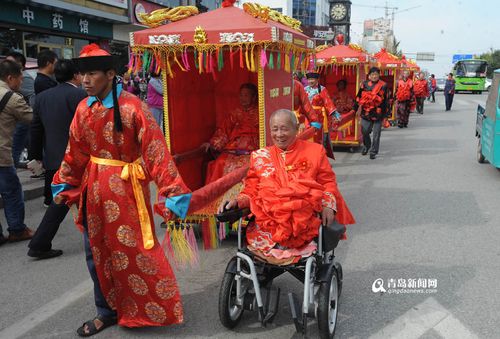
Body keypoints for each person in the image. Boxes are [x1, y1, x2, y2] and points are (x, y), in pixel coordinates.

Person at [51, 44, 191, 336]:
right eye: (82, 75)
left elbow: (155, 150)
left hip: (127, 191)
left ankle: (146, 307)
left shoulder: (133, 107)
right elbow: (74, 151)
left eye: (92, 74)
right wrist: (65, 182)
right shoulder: (82, 108)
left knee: (137, 250)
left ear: (111, 73)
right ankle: (107, 311)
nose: (85, 80)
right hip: (94, 189)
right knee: (96, 252)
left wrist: (173, 190)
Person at [221, 109, 354, 263]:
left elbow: (327, 182)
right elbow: (251, 188)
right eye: (275, 129)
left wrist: (328, 205)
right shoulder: (259, 156)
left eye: (284, 129)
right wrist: (239, 201)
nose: (279, 134)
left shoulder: (315, 152)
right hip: (268, 227)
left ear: (296, 129)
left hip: (305, 224)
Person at [27, 59, 87, 259]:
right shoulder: (80, 95)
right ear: (76, 75)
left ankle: (41, 242)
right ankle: (40, 242)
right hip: (76, 159)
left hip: (53, 157)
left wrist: (36, 156)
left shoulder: (42, 97)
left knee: (61, 200)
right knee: (67, 201)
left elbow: (35, 129)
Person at [0, 60, 34, 245]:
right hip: (1, 156)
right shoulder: (12, 98)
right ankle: (17, 229)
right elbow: (32, 119)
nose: (22, 82)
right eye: (20, 78)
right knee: (12, 192)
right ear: (10, 77)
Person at [201, 83, 259, 184]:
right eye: (241, 95)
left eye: (246, 95)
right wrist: (212, 144)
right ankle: (217, 196)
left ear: (254, 97)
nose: (242, 98)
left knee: (249, 164)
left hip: (252, 149)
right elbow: (224, 130)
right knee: (220, 162)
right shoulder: (235, 114)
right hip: (233, 148)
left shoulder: (260, 113)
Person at [6, 51, 35, 168]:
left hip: (21, 119)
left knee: (14, 150)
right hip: (14, 119)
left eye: (9, 63)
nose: (6, 65)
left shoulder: (25, 78)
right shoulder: (7, 80)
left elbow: (33, 97)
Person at [353, 67, 390, 160]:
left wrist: (386, 115)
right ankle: (367, 145)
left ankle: (373, 151)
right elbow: (359, 97)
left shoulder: (384, 85)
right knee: (364, 131)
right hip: (366, 112)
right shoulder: (364, 84)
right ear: (369, 76)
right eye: (372, 74)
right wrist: (355, 109)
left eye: (376, 74)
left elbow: (387, 100)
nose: (374, 76)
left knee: (377, 134)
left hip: (379, 113)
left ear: (379, 75)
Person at [304, 72, 338, 158]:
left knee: (318, 136)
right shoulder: (305, 89)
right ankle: (309, 156)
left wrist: (334, 113)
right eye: (309, 79)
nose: (310, 81)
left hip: (318, 117)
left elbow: (328, 102)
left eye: (312, 79)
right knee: (307, 135)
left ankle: (319, 157)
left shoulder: (322, 89)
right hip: (307, 116)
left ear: (317, 80)